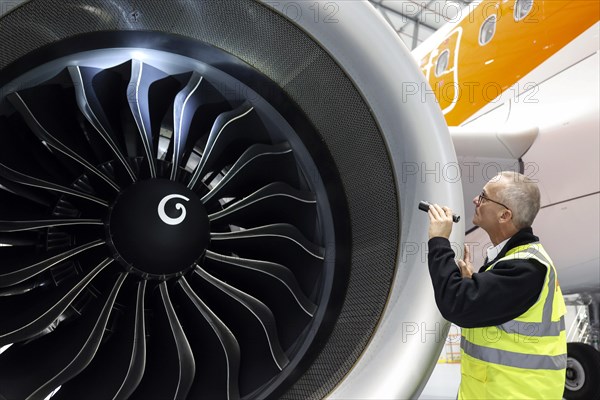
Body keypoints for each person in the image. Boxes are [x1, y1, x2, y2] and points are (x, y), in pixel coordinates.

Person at [426, 171, 567, 400]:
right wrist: (471, 283)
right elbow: (481, 314)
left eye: (483, 197)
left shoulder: (526, 268)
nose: (475, 200)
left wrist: (439, 241)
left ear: (504, 215)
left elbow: (456, 304)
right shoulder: (512, 262)